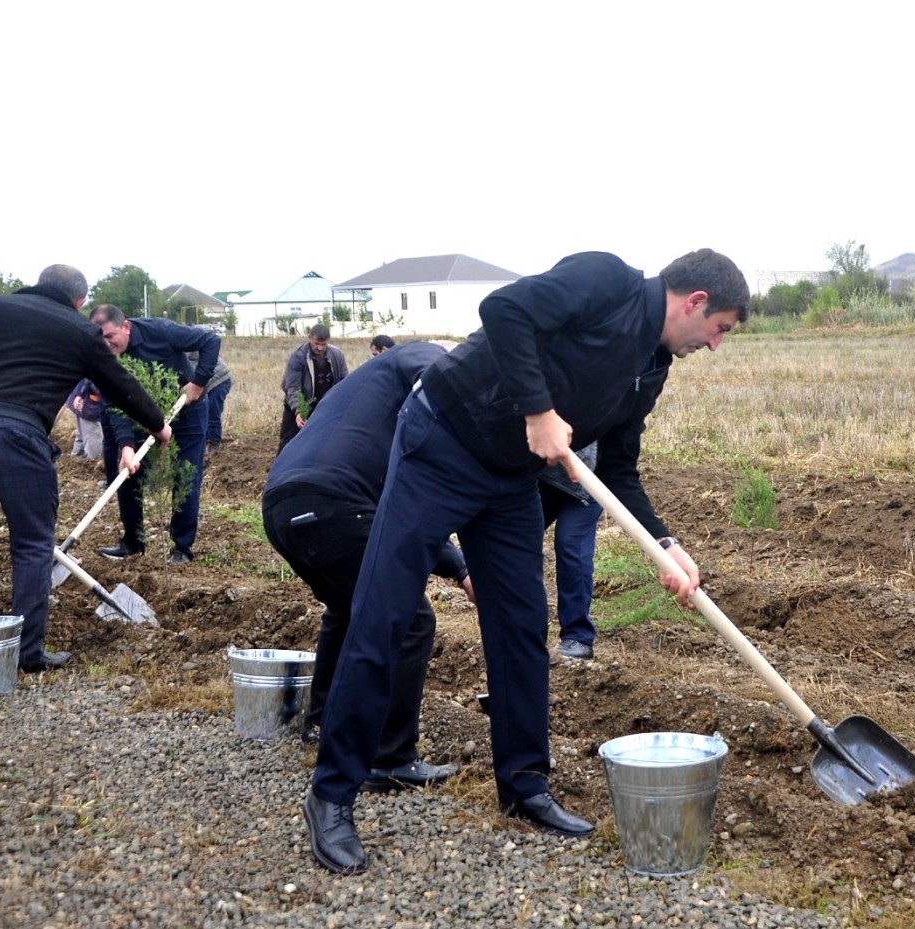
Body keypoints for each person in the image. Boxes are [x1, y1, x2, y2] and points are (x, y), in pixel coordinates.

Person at [303, 248, 749, 876]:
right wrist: (539, 412)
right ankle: (332, 794)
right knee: (385, 613)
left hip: (510, 477)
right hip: (442, 442)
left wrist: (666, 545)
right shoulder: (606, 281)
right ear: (696, 301)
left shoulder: (650, 368)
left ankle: (524, 785)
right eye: (720, 328)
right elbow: (505, 310)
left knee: (519, 627)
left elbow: (618, 468)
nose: (715, 344)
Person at [264, 340, 474, 784]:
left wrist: (458, 568)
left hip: (281, 503)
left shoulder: (369, 391)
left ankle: (321, 722)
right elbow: (401, 508)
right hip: (332, 504)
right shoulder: (427, 358)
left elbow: (396, 514)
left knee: (346, 607)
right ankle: (390, 755)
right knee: (411, 619)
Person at [0, 265, 170, 671]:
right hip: (16, 435)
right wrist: (157, 424)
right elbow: (119, 384)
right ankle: (25, 653)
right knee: (31, 544)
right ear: (80, 301)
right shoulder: (78, 330)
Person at [88, 303, 220, 565]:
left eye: (110, 337)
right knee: (127, 472)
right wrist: (126, 446)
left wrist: (198, 383)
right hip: (140, 415)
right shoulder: (100, 356)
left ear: (125, 326)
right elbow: (114, 404)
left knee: (185, 475)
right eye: (99, 339)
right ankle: (133, 543)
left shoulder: (160, 331)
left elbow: (210, 340)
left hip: (186, 411)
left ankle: (181, 548)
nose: (106, 344)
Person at [540, 442, 603, 660]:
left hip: (587, 481)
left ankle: (578, 638)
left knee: (571, 548)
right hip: (539, 474)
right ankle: (528, 634)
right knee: (520, 546)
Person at [279, 324, 348, 452]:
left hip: (324, 405)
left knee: (322, 441)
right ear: (309, 338)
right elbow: (293, 387)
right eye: (317, 343)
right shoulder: (298, 357)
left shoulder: (337, 355)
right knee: (289, 440)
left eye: (324, 344)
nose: (320, 348)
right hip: (300, 404)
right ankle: (279, 470)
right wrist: (299, 410)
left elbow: (344, 382)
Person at [66, 379, 107, 460]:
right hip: (87, 403)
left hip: (82, 398)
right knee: (93, 436)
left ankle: (76, 459)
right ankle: (91, 464)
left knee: (83, 433)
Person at [203, 357, 233, 453]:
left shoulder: (184, 347)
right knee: (204, 414)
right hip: (209, 381)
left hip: (219, 380)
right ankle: (206, 442)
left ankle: (214, 444)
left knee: (212, 413)